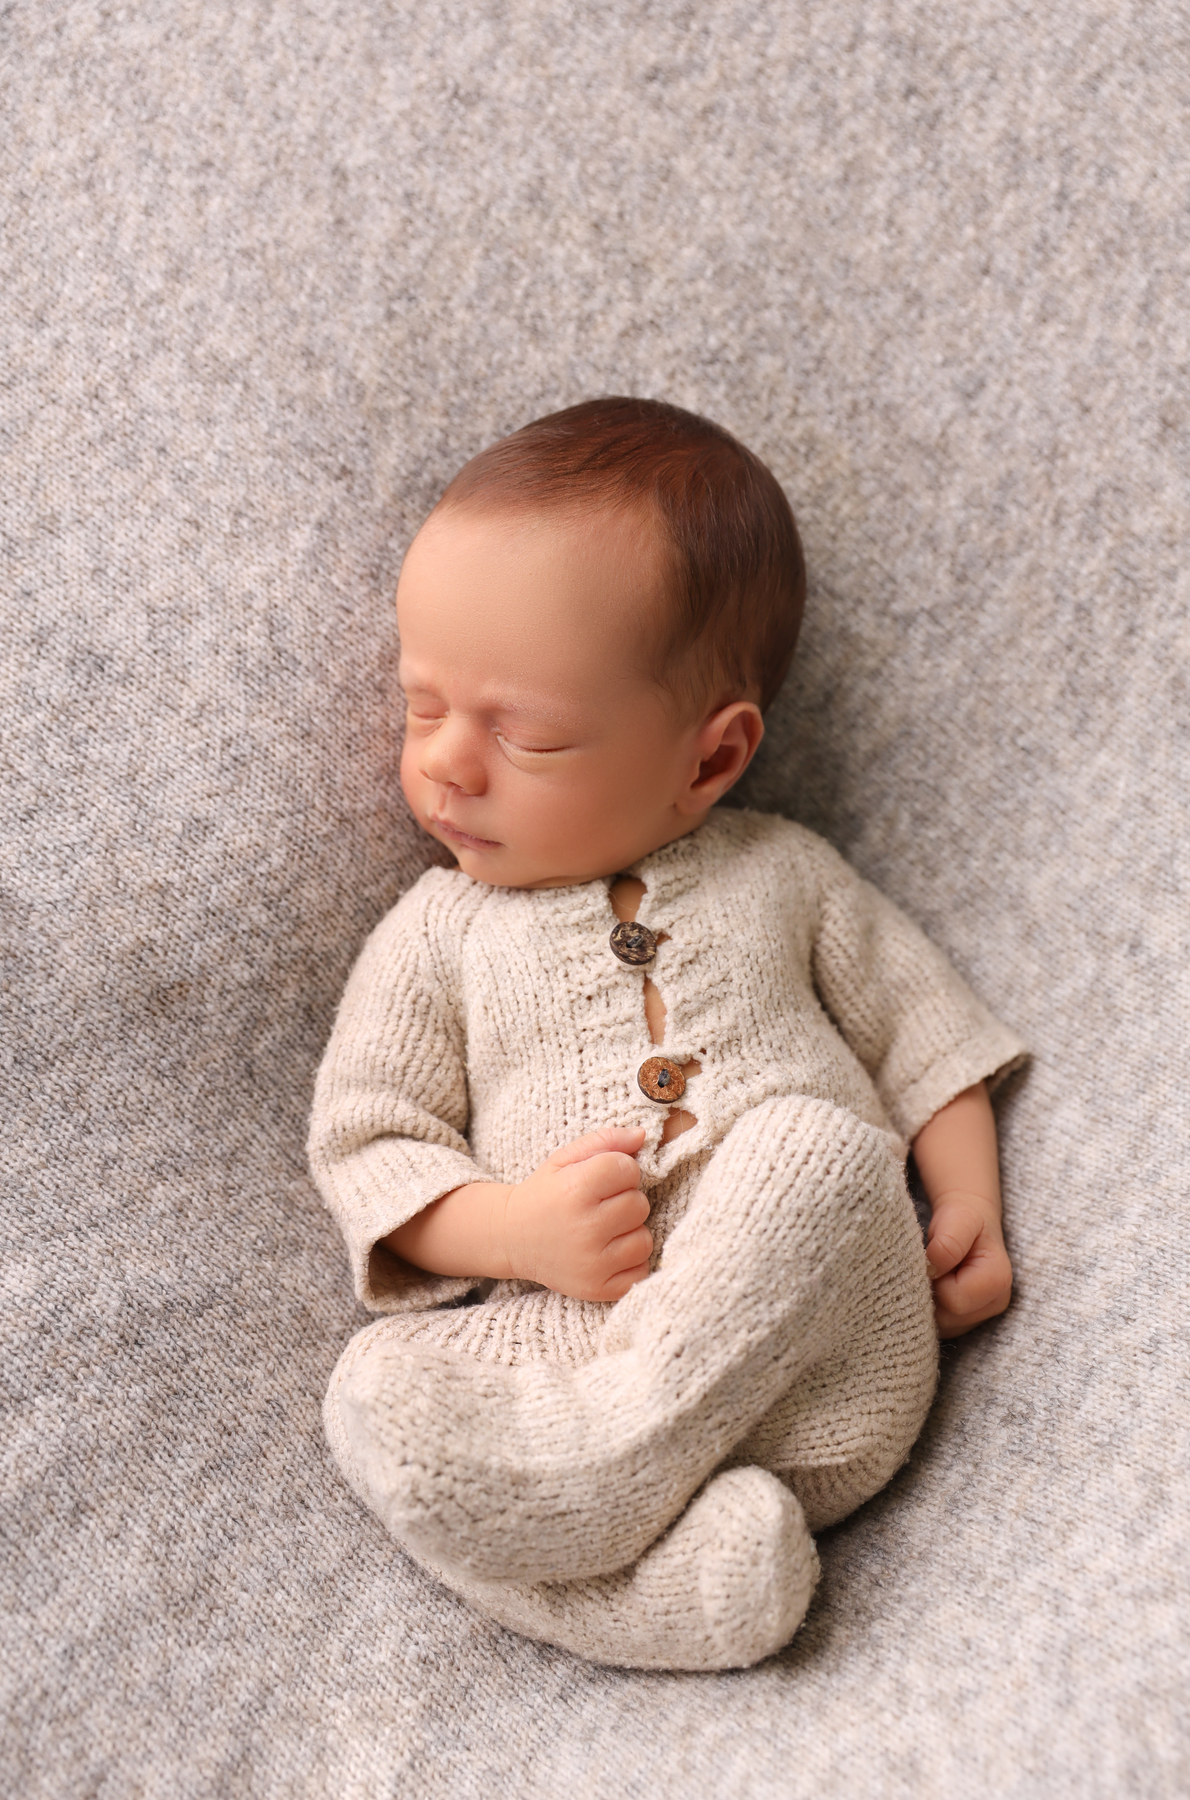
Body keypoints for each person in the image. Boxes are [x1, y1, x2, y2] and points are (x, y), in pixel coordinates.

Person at [308, 397, 1025, 1670]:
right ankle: (681, 1595)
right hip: (560, 1345)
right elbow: (369, 1144)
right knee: (372, 1395)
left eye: (524, 732)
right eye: (423, 708)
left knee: (815, 1152)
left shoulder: (784, 873)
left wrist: (968, 1199)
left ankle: (595, 1470)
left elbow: (923, 1032)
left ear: (710, 759)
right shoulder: (439, 933)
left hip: (820, 1354)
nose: (450, 764)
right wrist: (511, 1230)